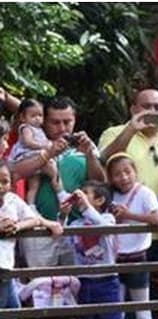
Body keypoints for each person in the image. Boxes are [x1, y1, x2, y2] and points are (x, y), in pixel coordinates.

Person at [9, 97, 105, 267]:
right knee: (40, 282)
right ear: (43, 121)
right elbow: (14, 174)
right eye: (55, 122)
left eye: (67, 122)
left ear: (75, 120)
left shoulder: (85, 146)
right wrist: (48, 154)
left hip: (76, 228)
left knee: (77, 281)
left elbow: (100, 183)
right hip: (38, 229)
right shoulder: (30, 146)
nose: (62, 128)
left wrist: (89, 154)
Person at [106, 153, 158, 319]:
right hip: (116, 258)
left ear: (135, 172)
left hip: (137, 258)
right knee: (117, 314)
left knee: (143, 312)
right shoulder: (110, 195)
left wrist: (129, 215)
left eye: (127, 172)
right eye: (117, 174)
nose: (123, 178)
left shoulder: (144, 193)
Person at [0, 165, 62, 319]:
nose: (1, 186)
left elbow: (33, 218)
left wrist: (16, 226)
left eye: (5, 181)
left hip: (6, 265)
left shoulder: (12, 200)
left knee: (13, 309)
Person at [64, 182, 123, 319]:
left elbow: (105, 228)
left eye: (86, 193)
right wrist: (63, 216)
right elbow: (63, 242)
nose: (80, 196)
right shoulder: (76, 224)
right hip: (83, 280)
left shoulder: (108, 218)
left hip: (107, 279)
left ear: (100, 200)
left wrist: (86, 207)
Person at [98, 89, 158, 196]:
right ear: (133, 109)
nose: (152, 111)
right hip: (124, 205)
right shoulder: (113, 133)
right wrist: (131, 130)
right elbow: (103, 161)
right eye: (146, 106)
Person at [7, 100, 62, 206]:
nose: (37, 118)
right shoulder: (26, 128)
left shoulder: (39, 130)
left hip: (35, 159)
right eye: (33, 116)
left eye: (40, 115)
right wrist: (45, 146)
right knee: (52, 168)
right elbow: (28, 142)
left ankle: (31, 206)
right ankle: (61, 193)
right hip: (27, 156)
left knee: (34, 186)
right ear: (22, 117)